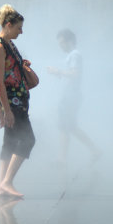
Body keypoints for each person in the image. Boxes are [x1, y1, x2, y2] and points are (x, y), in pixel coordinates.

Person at [0, 4, 37, 198]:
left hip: (19, 98)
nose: (21, 31)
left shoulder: (8, 44)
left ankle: (1, 185)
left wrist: (22, 66)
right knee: (28, 140)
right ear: (8, 25)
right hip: (12, 101)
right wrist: (5, 110)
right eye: (18, 28)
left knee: (9, 142)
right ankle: (7, 182)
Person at [47, 29, 101, 163]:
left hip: (71, 95)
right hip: (69, 94)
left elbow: (75, 73)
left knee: (66, 126)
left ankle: (64, 158)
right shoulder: (72, 55)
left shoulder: (75, 55)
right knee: (67, 126)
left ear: (69, 41)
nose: (60, 46)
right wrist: (58, 74)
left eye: (62, 42)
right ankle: (91, 151)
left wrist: (57, 71)